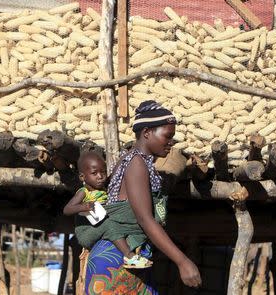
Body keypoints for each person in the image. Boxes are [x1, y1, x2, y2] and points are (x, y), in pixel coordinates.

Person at [84, 100, 202, 294]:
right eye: (167, 136)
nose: (171, 142)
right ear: (147, 133)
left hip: (123, 258)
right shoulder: (136, 163)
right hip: (116, 261)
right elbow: (145, 219)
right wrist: (183, 261)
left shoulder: (132, 159)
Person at [63, 151, 153, 268]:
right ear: (82, 177)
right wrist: (84, 206)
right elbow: (67, 209)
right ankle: (129, 256)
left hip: (97, 226)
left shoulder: (105, 187)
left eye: (103, 172)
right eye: (94, 173)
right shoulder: (84, 192)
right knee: (109, 225)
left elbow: (117, 175)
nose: (100, 176)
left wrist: (125, 158)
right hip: (86, 232)